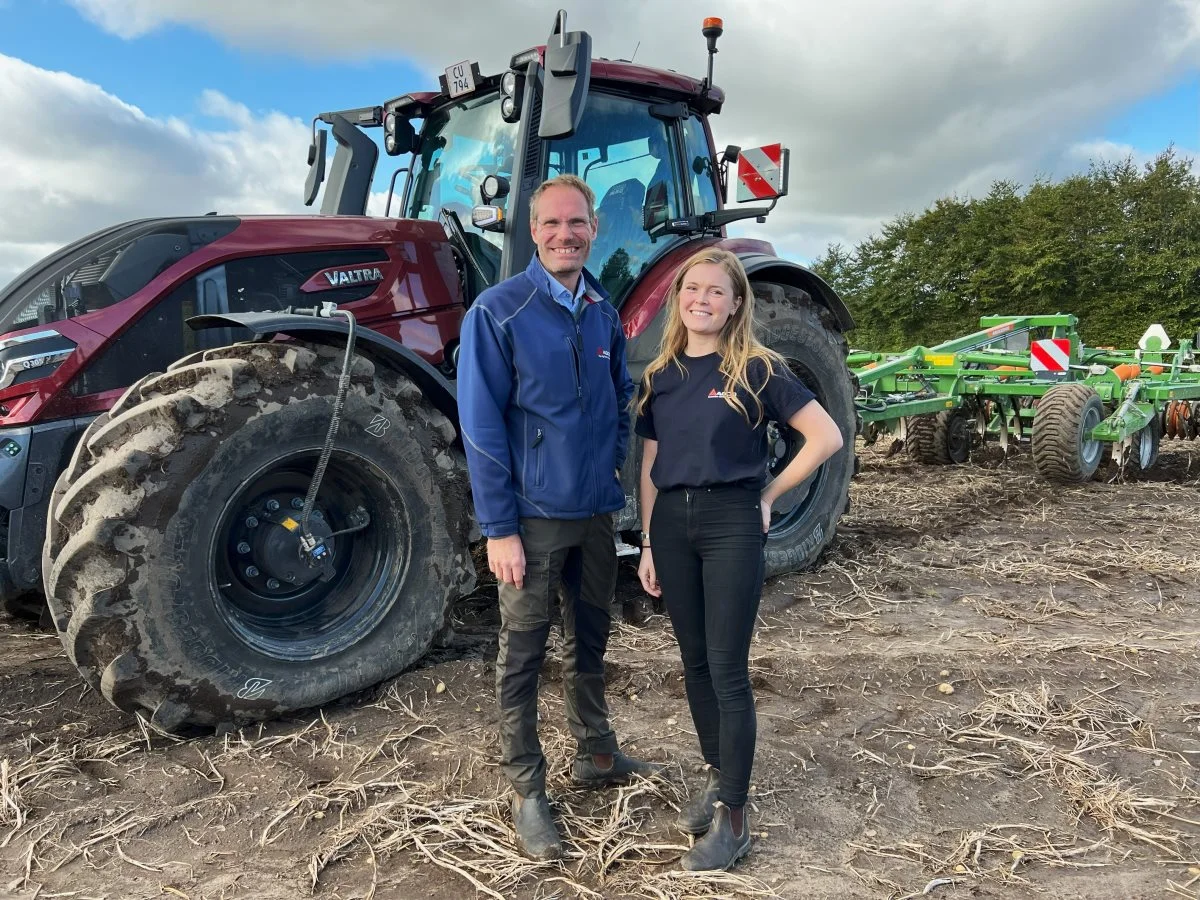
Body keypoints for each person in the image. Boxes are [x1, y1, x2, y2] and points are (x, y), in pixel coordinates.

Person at [457, 174, 657, 862]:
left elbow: (620, 394)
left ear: (595, 229)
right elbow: (481, 426)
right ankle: (527, 788)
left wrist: (613, 475)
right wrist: (499, 528)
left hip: (595, 511)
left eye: (577, 223)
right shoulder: (499, 311)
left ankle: (596, 753)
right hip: (533, 520)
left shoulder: (601, 309)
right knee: (524, 651)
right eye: (551, 224)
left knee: (591, 639)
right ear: (532, 232)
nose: (565, 235)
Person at [634, 248, 844, 871]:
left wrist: (769, 496)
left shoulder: (757, 370)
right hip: (672, 523)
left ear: (735, 304)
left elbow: (825, 436)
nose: (702, 299)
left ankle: (734, 817)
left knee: (726, 667)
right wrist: (647, 540)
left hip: (731, 521)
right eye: (692, 289)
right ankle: (717, 776)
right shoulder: (661, 374)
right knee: (694, 663)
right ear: (679, 300)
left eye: (715, 291)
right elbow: (649, 464)